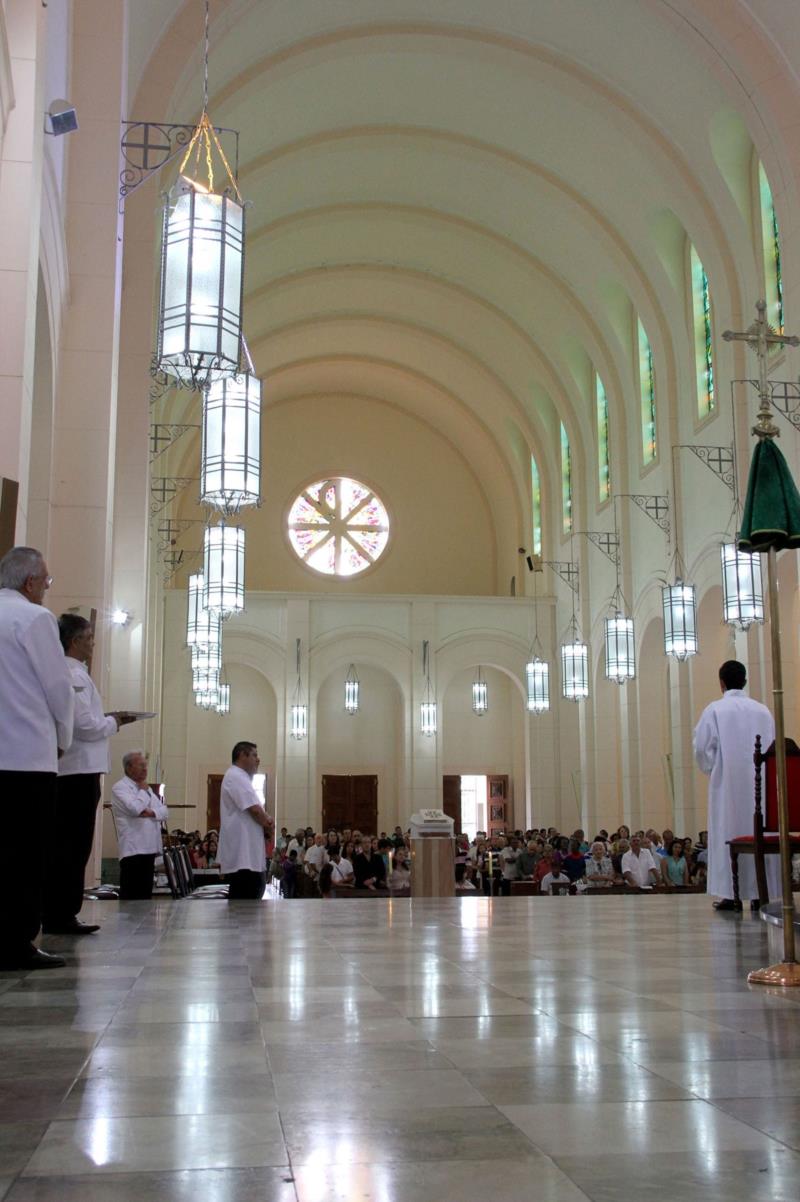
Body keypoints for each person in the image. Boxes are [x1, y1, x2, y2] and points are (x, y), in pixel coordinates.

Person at [0, 547, 74, 970]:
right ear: (29, 583)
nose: (47, 588)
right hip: (27, 758)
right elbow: (58, 688)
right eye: (45, 581)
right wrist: (62, 738)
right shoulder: (35, 619)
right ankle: (16, 942)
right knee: (26, 854)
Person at [43, 614, 137, 936]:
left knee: (72, 845)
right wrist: (116, 722)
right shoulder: (73, 673)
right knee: (72, 845)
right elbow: (85, 726)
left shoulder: (76, 672)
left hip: (79, 770)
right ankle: (61, 913)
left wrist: (106, 719)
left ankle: (62, 911)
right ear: (74, 641)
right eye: (88, 637)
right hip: (77, 772)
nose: (93, 643)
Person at [694, 659, 778, 911]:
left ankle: (732, 894)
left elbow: (701, 748)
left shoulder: (715, 710)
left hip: (727, 786)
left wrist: (714, 769)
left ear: (721, 683)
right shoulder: (763, 711)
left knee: (728, 831)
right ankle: (759, 894)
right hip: (761, 785)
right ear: (744, 681)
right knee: (760, 830)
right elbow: (773, 749)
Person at [218, 741, 273, 899]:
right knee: (246, 906)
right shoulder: (236, 776)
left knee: (250, 905)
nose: (258, 760)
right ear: (242, 755)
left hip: (247, 856)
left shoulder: (241, 778)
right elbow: (255, 810)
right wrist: (268, 823)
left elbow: (257, 809)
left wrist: (266, 820)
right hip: (243, 858)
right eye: (254, 755)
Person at [111, 750, 169, 898]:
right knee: (132, 898)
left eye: (146, 765)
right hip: (133, 849)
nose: (145, 769)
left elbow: (164, 811)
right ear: (129, 768)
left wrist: (150, 813)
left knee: (145, 898)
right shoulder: (120, 787)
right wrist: (143, 794)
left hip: (149, 848)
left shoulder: (146, 787)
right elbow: (135, 809)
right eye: (141, 765)